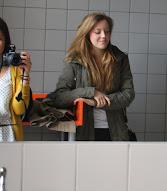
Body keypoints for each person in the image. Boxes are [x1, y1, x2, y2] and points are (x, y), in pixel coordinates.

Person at [52, 12, 135, 141]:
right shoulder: (74, 60)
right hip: (83, 132)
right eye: (97, 32)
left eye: (107, 31)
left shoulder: (120, 58)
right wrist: (91, 92)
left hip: (116, 132)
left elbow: (128, 94)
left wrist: (97, 102)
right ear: (87, 33)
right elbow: (59, 97)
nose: (104, 36)